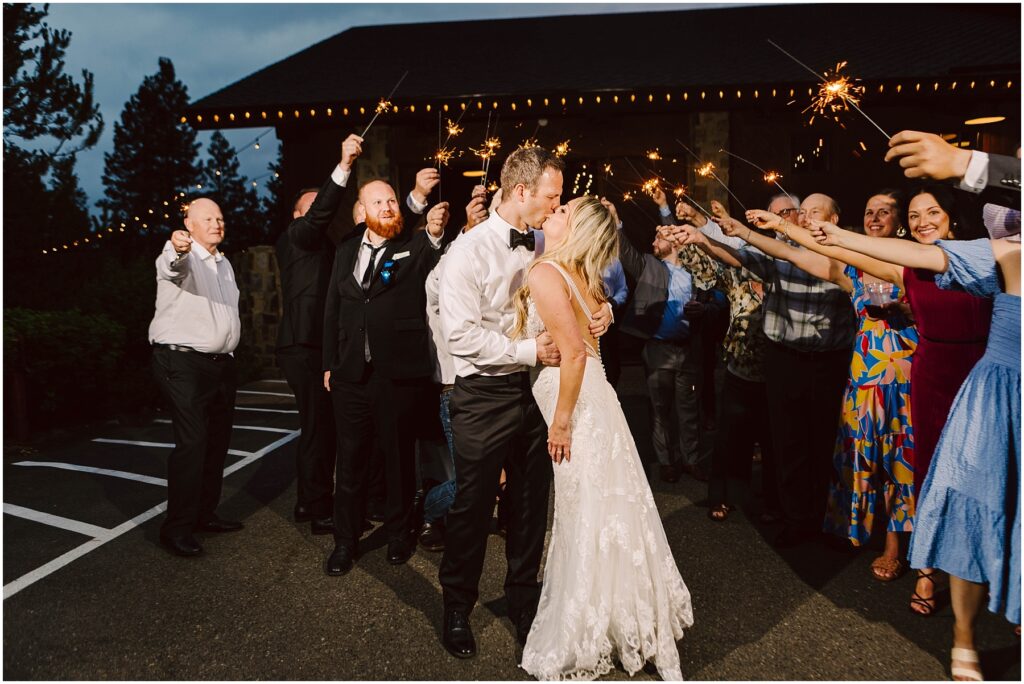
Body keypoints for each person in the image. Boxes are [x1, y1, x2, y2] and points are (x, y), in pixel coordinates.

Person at [810, 221, 1020, 682]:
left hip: (963, 369)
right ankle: (959, 624)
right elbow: (853, 254)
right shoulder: (995, 254)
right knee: (958, 490)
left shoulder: (979, 262)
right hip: (971, 385)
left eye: (934, 212)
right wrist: (825, 232)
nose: (925, 220)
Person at [436, 146, 613, 659]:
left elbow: (581, 284)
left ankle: (524, 600)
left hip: (537, 388)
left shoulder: (547, 240)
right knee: (473, 503)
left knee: (532, 502)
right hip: (483, 393)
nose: (558, 205)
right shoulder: (466, 253)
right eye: (552, 196)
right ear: (521, 192)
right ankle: (456, 606)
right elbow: (461, 338)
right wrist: (527, 349)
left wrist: (600, 314)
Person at [514, 196, 693, 680]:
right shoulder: (579, 274)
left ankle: (590, 626)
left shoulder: (547, 274)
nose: (554, 210)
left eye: (563, 211)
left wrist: (562, 421)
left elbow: (573, 355)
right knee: (606, 510)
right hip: (598, 400)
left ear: (574, 231)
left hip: (578, 407)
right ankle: (620, 618)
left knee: (586, 513)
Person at [731, 197, 918, 580]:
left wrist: (915, 309)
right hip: (864, 375)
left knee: (901, 461)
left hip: (906, 375)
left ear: (899, 223)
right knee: (859, 455)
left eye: (885, 211)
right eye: (868, 211)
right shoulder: (853, 270)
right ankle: (852, 527)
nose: (874, 217)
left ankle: (896, 546)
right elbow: (794, 254)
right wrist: (762, 228)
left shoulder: (914, 263)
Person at [321, 175, 449, 576]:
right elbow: (332, 309)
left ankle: (398, 533)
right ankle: (345, 541)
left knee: (397, 460)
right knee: (352, 460)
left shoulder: (411, 245)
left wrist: (432, 231)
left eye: (392, 200)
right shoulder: (345, 250)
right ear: (362, 211)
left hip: (396, 375)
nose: (389, 207)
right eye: (379, 203)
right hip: (350, 376)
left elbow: (431, 250)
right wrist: (329, 362)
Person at [275, 134, 362, 534]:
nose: (319, 215)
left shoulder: (325, 246)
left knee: (320, 427)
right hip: (302, 345)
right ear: (297, 216)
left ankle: (308, 504)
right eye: (310, 209)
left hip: (320, 347)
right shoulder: (296, 237)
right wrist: (343, 167)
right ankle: (315, 506)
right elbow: (319, 215)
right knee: (317, 428)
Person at [148, 198, 242, 557]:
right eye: (208, 219)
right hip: (182, 362)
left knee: (216, 443)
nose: (217, 223)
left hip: (220, 365)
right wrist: (177, 246)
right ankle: (176, 528)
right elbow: (171, 265)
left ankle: (205, 515)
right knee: (193, 443)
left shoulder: (225, 263)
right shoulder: (182, 255)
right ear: (189, 224)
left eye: (220, 217)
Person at [607, 197, 706, 483]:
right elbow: (625, 251)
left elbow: (715, 299)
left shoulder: (694, 270)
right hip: (658, 348)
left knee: (688, 410)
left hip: (687, 348)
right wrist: (616, 221)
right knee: (659, 409)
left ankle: (692, 460)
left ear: (675, 242)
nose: (654, 239)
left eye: (660, 235)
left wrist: (705, 308)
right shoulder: (649, 265)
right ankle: (666, 461)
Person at [420, 184, 491, 552]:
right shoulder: (436, 282)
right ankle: (430, 509)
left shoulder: (475, 278)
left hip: (487, 385)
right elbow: (448, 265)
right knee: (469, 478)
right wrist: (468, 229)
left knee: (487, 473)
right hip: (454, 390)